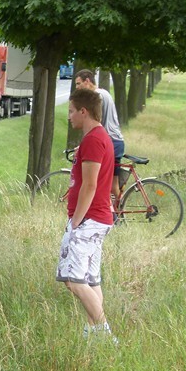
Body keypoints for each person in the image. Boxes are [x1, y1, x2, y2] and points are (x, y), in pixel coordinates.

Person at [57, 88, 117, 342]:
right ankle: (93, 332)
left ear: (84, 111)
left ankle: (105, 334)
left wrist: (77, 220)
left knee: (74, 280)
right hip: (97, 218)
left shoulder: (93, 139)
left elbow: (90, 185)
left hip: (89, 220)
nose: (69, 117)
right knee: (90, 280)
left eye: (71, 111)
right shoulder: (100, 137)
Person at [74, 69, 127, 201]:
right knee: (112, 186)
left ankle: (111, 214)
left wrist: (83, 146)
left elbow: (95, 124)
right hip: (116, 141)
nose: (77, 88)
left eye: (78, 83)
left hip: (110, 141)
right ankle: (119, 214)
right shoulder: (104, 93)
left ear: (87, 81)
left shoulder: (96, 97)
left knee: (97, 181)